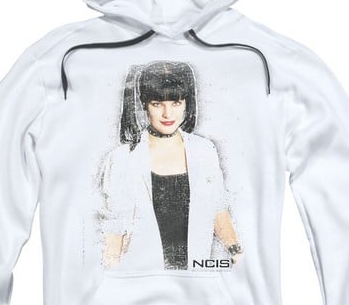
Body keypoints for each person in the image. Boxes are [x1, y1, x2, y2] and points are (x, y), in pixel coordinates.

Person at [99, 60, 244, 270]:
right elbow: (114, 230)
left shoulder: (204, 151)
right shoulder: (122, 159)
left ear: (186, 103)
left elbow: (218, 211)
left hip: (195, 276)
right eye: (157, 103)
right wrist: (111, 278)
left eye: (176, 103)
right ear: (144, 104)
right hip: (141, 278)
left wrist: (237, 253)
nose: (168, 114)